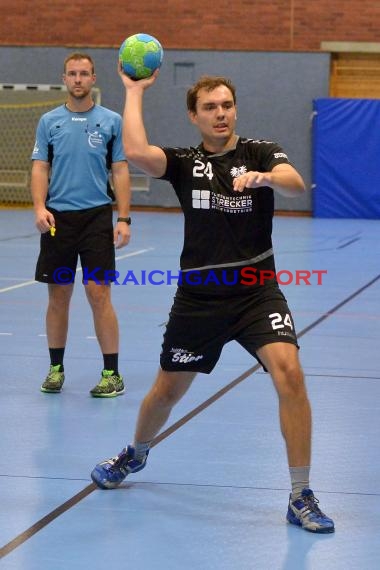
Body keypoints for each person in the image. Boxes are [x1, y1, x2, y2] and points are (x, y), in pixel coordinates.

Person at [91, 69, 335, 533]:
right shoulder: (184, 162)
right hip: (199, 299)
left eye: (226, 105)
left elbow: (295, 182)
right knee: (166, 391)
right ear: (193, 116)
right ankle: (135, 454)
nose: (220, 114)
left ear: (235, 109)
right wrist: (134, 90)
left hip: (256, 291)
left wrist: (266, 177)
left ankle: (300, 494)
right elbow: (138, 152)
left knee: (290, 374)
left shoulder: (259, 152)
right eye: (209, 108)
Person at [31, 52, 131, 397]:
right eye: (72, 73)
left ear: (93, 79)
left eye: (84, 74)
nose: (77, 79)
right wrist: (39, 207)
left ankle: (111, 374)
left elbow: (119, 170)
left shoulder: (111, 121)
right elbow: (40, 167)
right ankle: (56, 368)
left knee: (98, 293)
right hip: (59, 220)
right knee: (58, 295)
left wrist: (124, 218)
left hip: (96, 219)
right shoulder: (49, 122)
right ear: (64, 78)